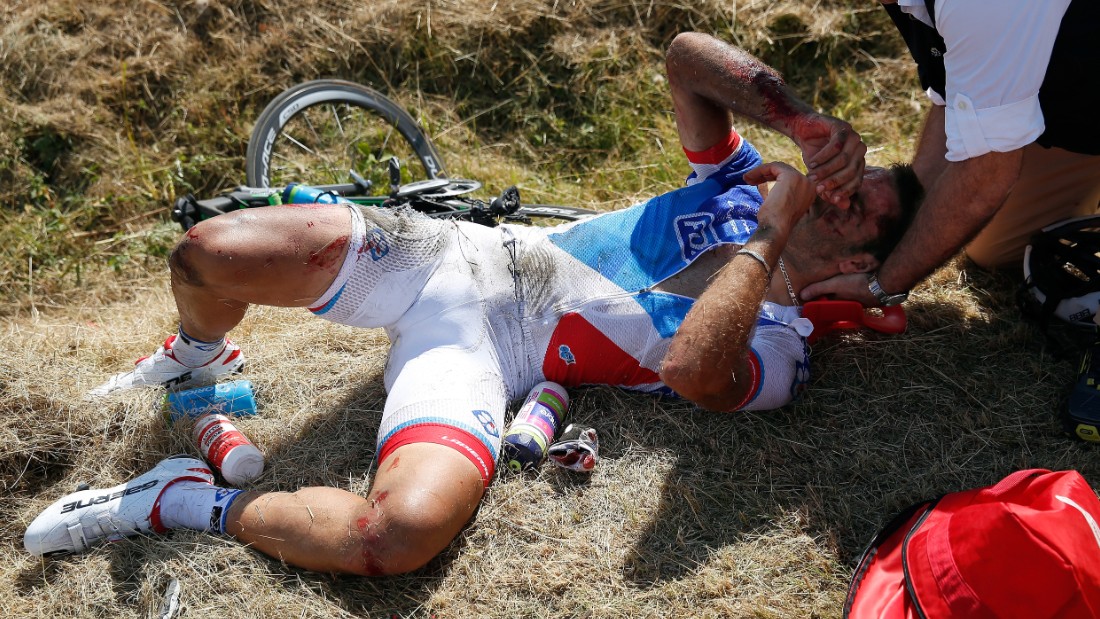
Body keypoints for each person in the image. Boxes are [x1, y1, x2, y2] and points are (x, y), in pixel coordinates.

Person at [23, 32, 921, 575]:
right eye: (856, 174)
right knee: (208, 252)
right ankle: (201, 354)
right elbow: (686, 57)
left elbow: (693, 370)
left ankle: (178, 501)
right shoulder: (735, 177)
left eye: (861, 209)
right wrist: (799, 120)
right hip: (458, 253)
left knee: (399, 535)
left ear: (858, 275)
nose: (842, 188)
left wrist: (768, 240)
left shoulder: (784, 346)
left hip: (490, 354)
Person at [801, 0, 1100, 306]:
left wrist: (882, 285)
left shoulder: (977, 6)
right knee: (995, 248)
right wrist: (907, 224)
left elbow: (987, 176)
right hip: (1063, 103)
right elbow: (953, 92)